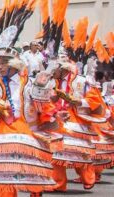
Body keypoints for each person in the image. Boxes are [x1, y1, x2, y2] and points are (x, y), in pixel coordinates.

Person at [0, 55, 55, 197]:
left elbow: (45, 108)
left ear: (14, 64)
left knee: (32, 171)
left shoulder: (31, 83)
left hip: (28, 133)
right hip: (0, 135)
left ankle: (35, 191)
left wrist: (54, 118)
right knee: (2, 173)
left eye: (4, 63)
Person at [45, 62, 100, 191]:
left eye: (55, 69)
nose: (52, 72)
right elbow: (43, 100)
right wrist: (51, 100)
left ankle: (88, 177)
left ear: (63, 69)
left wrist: (79, 101)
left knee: (78, 150)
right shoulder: (51, 82)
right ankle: (58, 183)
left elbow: (95, 100)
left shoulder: (82, 81)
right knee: (55, 152)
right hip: (57, 119)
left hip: (77, 121)